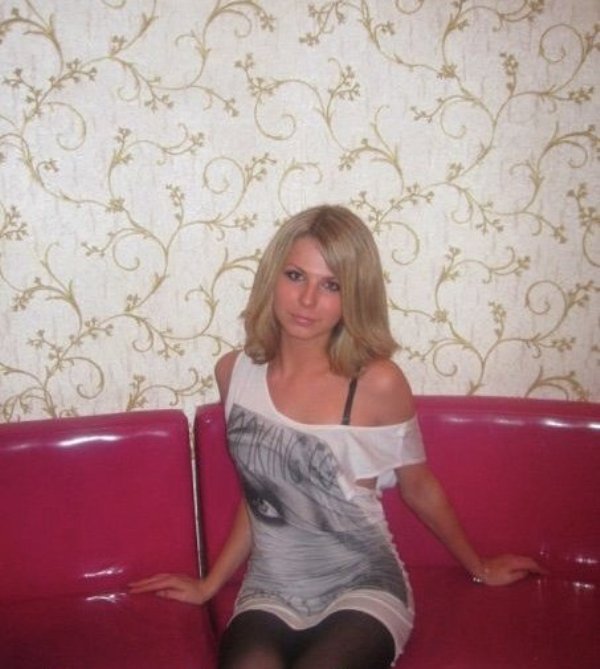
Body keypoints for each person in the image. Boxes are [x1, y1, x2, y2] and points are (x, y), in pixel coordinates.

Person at [129, 205, 544, 669]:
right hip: (270, 589)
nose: (307, 300)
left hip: (363, 584)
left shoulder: (377, 383)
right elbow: (261, 492)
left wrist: (479, 567)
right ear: (272, 277)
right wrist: (210, 584)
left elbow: (419, 486)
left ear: (354, 297)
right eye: (295, 276)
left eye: (332, 285)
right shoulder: (235, 372)